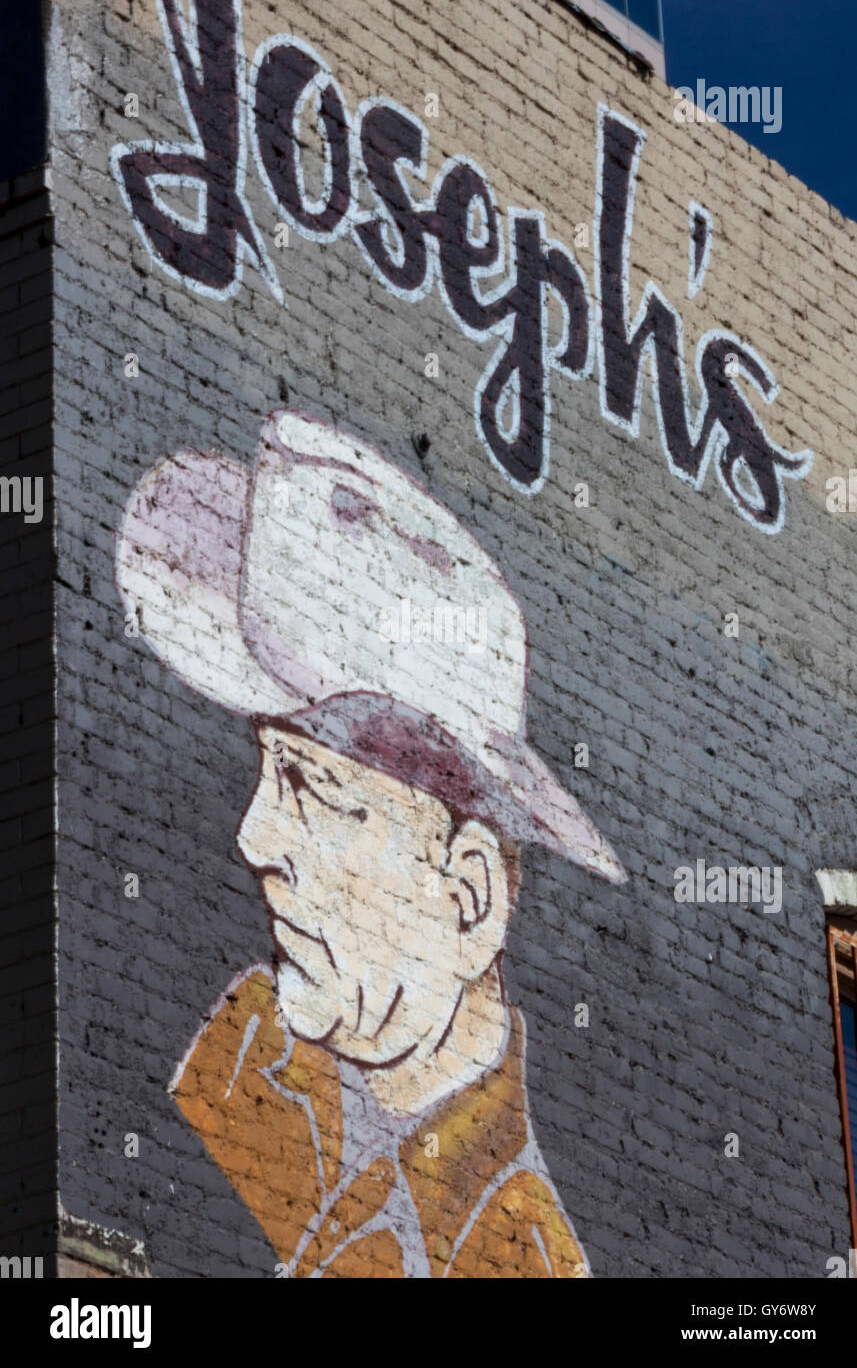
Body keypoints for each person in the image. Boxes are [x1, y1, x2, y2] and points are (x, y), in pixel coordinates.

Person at [116, 410, 626, 1277]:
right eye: (270, 771)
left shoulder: (513, 1256)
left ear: (467, 899)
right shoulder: (238, 1052)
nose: (255, 837)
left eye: (313, 790)